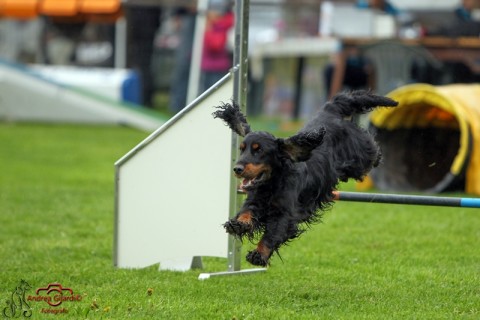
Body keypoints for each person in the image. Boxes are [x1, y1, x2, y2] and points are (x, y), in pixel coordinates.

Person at [323, 0, 399, 96]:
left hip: (385, 66)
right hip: (361, 66)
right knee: (330, 70)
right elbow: (343, 43)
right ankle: (332, 106)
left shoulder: (393, 12)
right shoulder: (358, 8)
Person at [200, 1, 234, 93]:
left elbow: (215, 45)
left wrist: (208, 31)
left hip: (218, 67)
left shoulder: (222, 26)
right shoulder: (212, 25)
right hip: (208, 66)